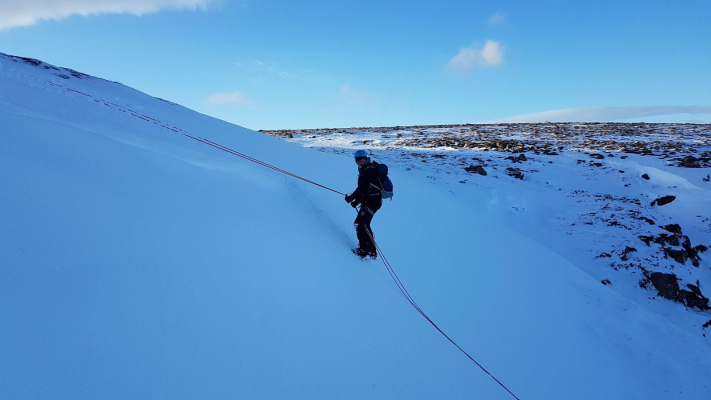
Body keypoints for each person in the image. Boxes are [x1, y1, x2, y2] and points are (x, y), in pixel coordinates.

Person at [345, 150, 383, 258]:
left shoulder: (369, 170)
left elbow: (362, 188)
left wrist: (351, 198)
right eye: (358, 160)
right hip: (373, 201)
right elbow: (367, 189)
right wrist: (356, 201)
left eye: (362, 159)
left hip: (373, 201)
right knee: (365, 224)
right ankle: (371, 250)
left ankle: (363, 250)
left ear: (366, 159)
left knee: (359, 224)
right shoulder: (366, 169)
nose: (360, 162)